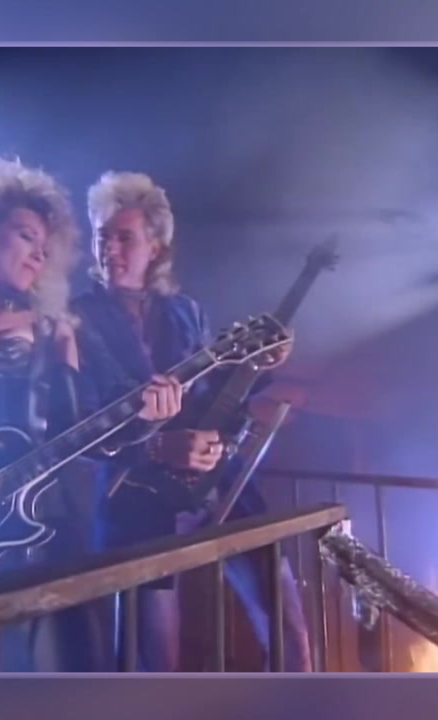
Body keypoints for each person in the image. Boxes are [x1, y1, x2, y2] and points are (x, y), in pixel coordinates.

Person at [0, 155, 184, 672]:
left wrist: (147, 419)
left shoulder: (57, 327)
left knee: (49, 664)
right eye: (26, 236)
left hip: (43, 519)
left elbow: (82, 426)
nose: (37, 254)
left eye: (45, 247)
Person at [72, 171, 311, 672]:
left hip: (219, 482)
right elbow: (80, 423)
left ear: (156, 246)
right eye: (102, 237)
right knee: (156, 660)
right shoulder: (77, 319)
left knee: (290, 628)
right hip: (136, 499)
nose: (109, 249)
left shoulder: (186, 313)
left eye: (124, 238)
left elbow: (215, 398)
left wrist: (258, 368)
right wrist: (157, 448)